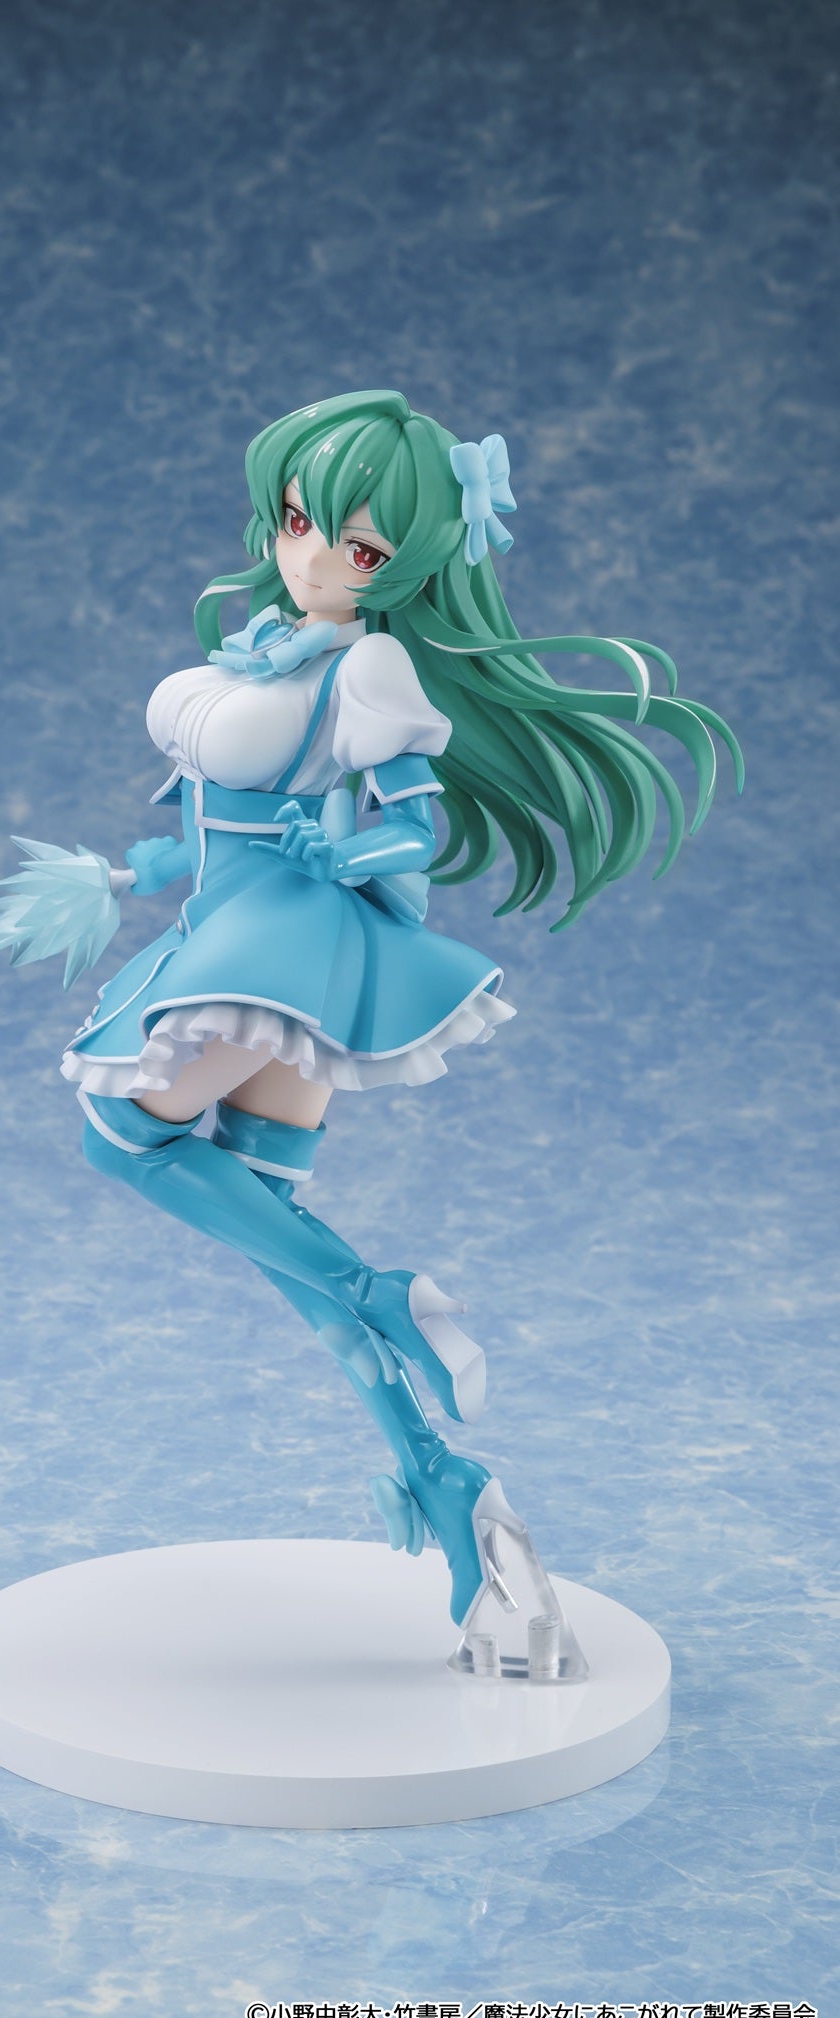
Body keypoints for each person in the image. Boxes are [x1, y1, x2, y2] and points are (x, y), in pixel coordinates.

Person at [61, 389, 742, 1675]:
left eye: (360, 547)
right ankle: (445, 1484)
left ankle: (385, 1293)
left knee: (119, 1131)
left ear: (408, 563)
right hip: (231, 923)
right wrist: (147, 864)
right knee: (269, 1221)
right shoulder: (262, 645)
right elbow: (224, 811)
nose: (317, 559)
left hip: (281, 951)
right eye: (300, 521)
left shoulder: (366, 664)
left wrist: (343, 849)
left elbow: (411, 829)